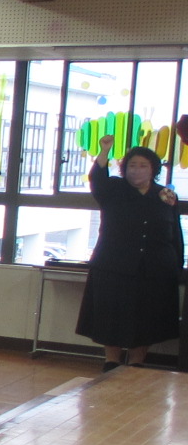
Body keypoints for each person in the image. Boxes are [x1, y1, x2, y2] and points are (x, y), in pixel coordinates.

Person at [77, 135, 184, 369]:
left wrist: (176, 266)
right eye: (132, 166)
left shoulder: (165, 195)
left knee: (146, 318)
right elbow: (97, 178)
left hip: (155, 269)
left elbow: (175, 233)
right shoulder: (113, 189)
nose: (137, 171)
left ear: (153, 169)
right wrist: (105, 150)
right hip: (114, 267)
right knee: (111, 315)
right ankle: (111, 362)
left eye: (143, 166)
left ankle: (137, 363)